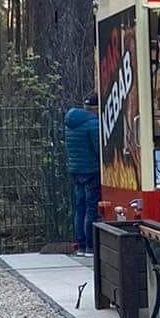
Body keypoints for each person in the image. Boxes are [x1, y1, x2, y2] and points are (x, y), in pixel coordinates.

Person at [64, 92, 102, 254]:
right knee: (91, 208)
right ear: (96, 108)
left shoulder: (71, 123)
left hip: (76, 170)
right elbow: (98, 147)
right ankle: (90, 245)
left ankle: (80, 244)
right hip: (91, 170)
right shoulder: (93, 123)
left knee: (80, 207)